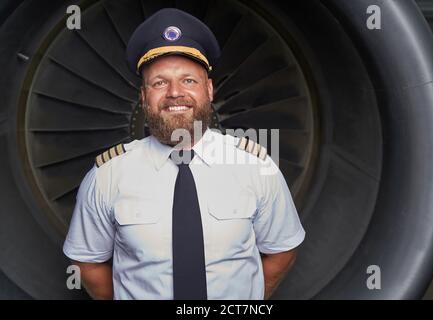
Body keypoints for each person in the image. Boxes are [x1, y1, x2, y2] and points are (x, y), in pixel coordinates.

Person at [63, 8, 305, 300]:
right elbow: (88, 262)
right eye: (159, 82)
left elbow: (281, 250)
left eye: (189, 80)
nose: (175, 92)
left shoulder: (255, 166)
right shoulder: (107, 176)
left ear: (210, 89)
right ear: (143, 96)